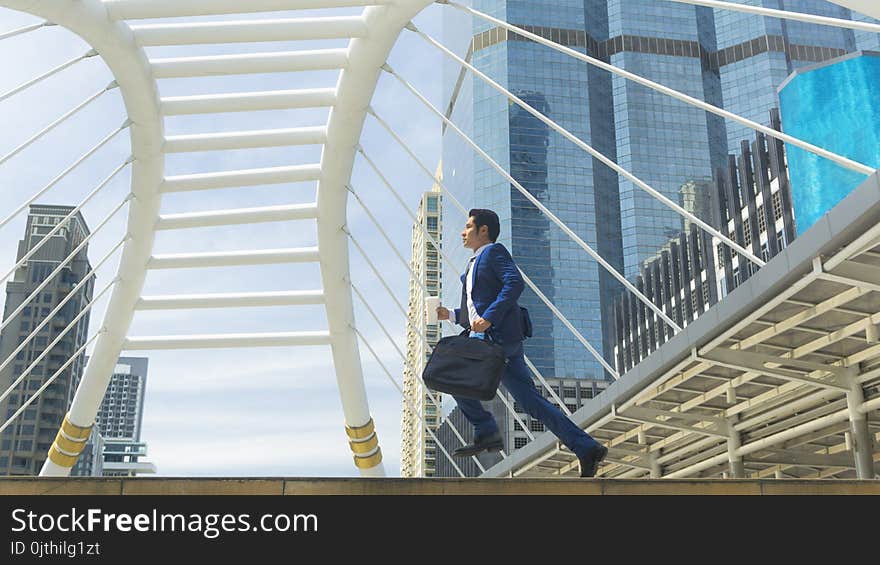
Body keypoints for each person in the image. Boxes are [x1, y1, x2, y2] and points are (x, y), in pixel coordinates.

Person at [437, 209, 608, 477]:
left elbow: (514, 283)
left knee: (447, 375)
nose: (463, 231)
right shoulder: (471, 266)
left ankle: (486, 431)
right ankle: (586, 448)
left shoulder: (494, 253)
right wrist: (449, 314)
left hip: (497, 339)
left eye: (468, 226)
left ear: (484, 231)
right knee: (530, 402)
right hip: (498, 341)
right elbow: (472, 314)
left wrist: (490, 318)